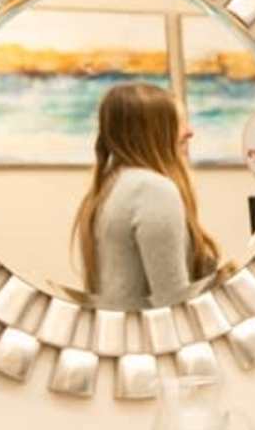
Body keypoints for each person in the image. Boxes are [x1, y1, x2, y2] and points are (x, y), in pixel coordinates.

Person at [73, 81, 228, 310]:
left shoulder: (110, 185)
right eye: (179, 122)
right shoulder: (152, 189)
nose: (190, 132)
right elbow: (174, 305)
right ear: (154, 131)